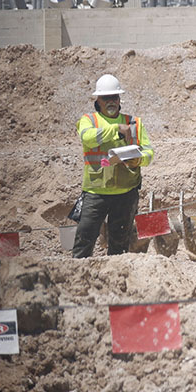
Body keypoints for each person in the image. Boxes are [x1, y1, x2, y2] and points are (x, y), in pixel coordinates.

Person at [72, 74, 154, 258]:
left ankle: (116, 273)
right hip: (95, 192)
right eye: (106, 98)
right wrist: (116, 129)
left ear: (119, 99)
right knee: (84, 239)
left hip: (126, 193)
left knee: (120, 244)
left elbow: (149, 152)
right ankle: (77, 272)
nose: (111, 101)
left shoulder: (134, 123)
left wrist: (138, 160)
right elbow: (87, 138)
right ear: (98, 101)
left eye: (114, 97)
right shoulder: (89, 121)